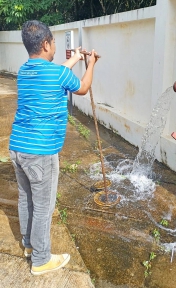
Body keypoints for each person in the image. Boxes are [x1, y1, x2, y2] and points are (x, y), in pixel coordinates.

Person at [9, 20, 99, 275]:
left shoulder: (24, 71)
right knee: (44, 207)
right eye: (54, 42)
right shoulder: (57, 74)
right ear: (46, 43)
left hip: (18, 148)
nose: (56, 47)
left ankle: (28, 245)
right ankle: (40, 259)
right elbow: (81, 88)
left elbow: (58, 71)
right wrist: (90, 64)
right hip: (41, 152)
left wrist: (76, 58)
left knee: (26, 199)